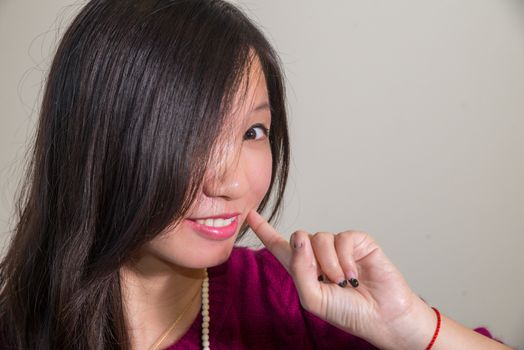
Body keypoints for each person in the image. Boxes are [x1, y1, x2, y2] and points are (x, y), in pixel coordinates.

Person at [0, 0, 512, 349]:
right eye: (191, 133)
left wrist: (409, 328)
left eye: (253, 132)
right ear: (99, 139)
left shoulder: (295, 302)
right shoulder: (19, 327)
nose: (232, 183)